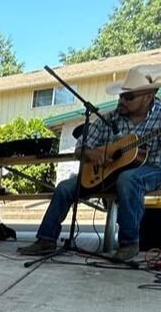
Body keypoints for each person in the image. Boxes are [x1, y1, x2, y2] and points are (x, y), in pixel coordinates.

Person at [18, 65, 161, 262]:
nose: (121, 100)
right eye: (121, 96)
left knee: (128, 179)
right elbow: (81, 148)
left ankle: (129, 244)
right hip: (106, 174)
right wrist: (93, 154)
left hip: (152, 169)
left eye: (128, 97)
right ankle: (46, 239)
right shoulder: (109, 118)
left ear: (148, 96)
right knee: (64, 188)